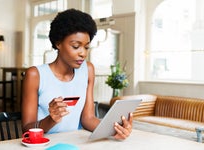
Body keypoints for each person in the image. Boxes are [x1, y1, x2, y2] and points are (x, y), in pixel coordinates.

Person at [21, 8, 133, 140]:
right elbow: (27, 128)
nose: (83, 53)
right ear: (58, 43)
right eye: (75, 46)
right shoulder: (35, 75)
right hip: (45, 144)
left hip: (76, 143)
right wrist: (51, 119)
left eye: (86, 47)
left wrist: (115, 130)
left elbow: (88, 118)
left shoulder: (88, 70)